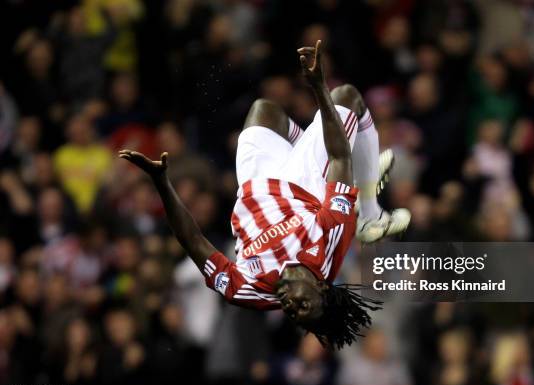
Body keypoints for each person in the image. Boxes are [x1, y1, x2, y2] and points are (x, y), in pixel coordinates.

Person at [119, 40, 409, 348]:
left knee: (264, 110)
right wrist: (318, 86)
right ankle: (370, 211)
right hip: (306, 185)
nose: (291, 308)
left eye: (294, 316)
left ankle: (305, 146)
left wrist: (161, 182)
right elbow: (340, 159)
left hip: (255, 183)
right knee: (345, 96)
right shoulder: (330, 238)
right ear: (322, 289)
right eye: (303, 306)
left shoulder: (247, 290)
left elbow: (192, 240)